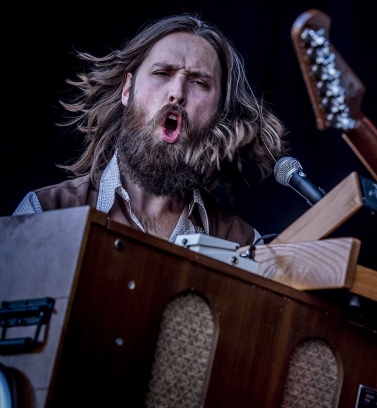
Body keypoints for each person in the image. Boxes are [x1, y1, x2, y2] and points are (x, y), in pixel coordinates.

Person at [12, 13, 288, 247]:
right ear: (127, 89)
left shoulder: (243, 243)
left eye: (199, 83)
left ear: (219, 113)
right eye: (162, 73)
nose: (177, 93)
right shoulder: (45, 211)